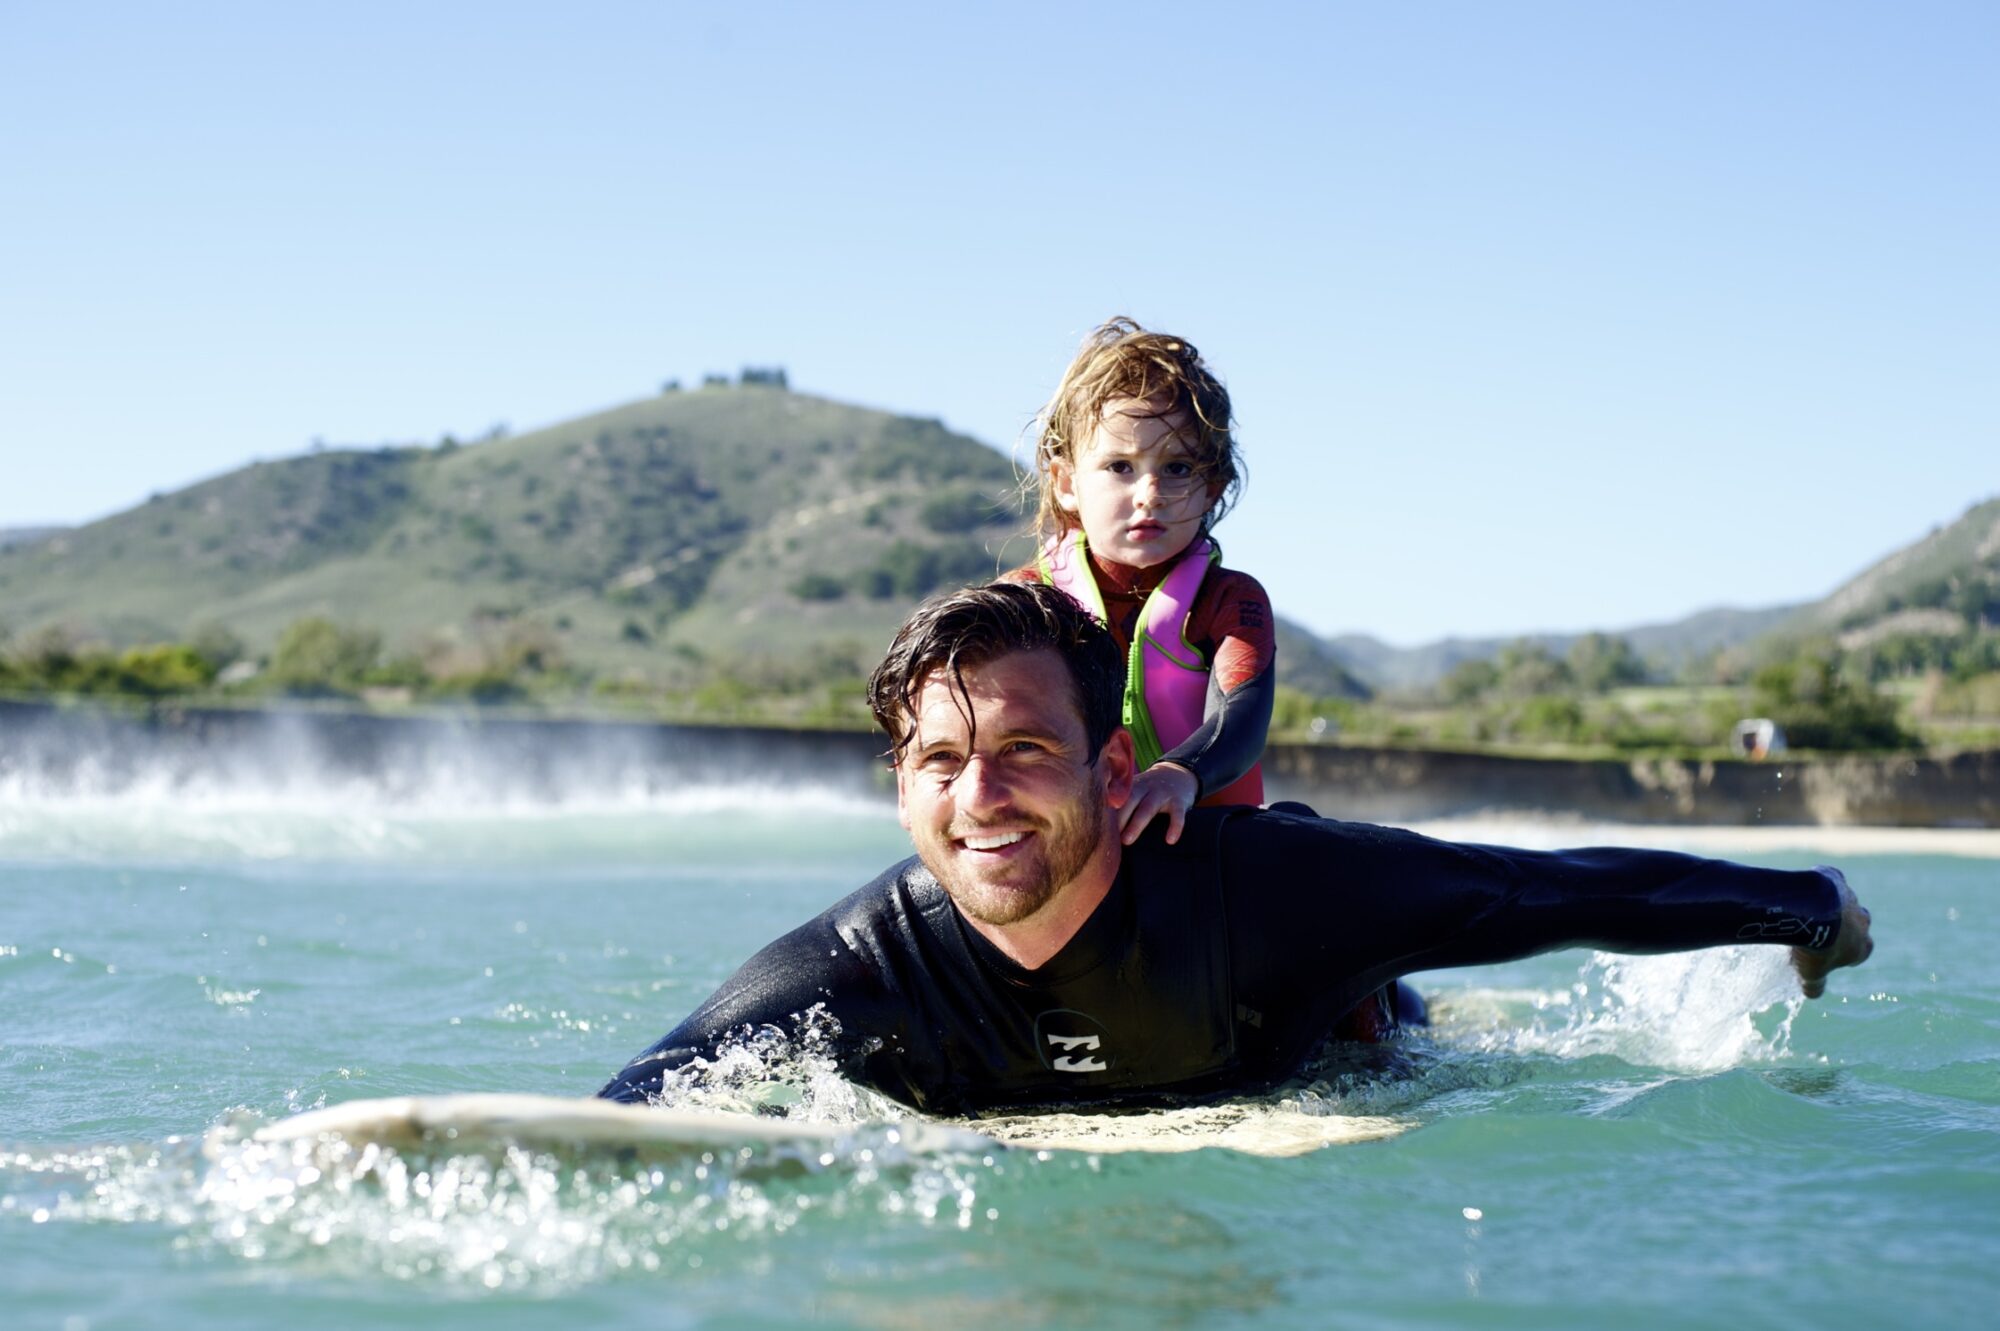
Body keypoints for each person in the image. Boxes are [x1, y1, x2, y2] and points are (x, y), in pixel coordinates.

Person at [600, 583, 1872, 1116]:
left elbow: (1544, 890)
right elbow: (640, 1103)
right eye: (937, 760)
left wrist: (1806, 906)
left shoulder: (1273, 895)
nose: (976, 796)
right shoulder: (857, 965)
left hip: (1344, 1042)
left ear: (1112, 766)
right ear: (899, 783)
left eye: (1024, 752)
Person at [1008, 317, 1271, 846]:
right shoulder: (1025, 601)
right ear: (1064, 484)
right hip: (1080, 843)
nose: (1149, 492)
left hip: (1208, 840)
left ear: (1211, 489)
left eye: (1177, 469)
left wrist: (1180, 775)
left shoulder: (1228, 601)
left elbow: (1242, 721)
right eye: (1120, 466)